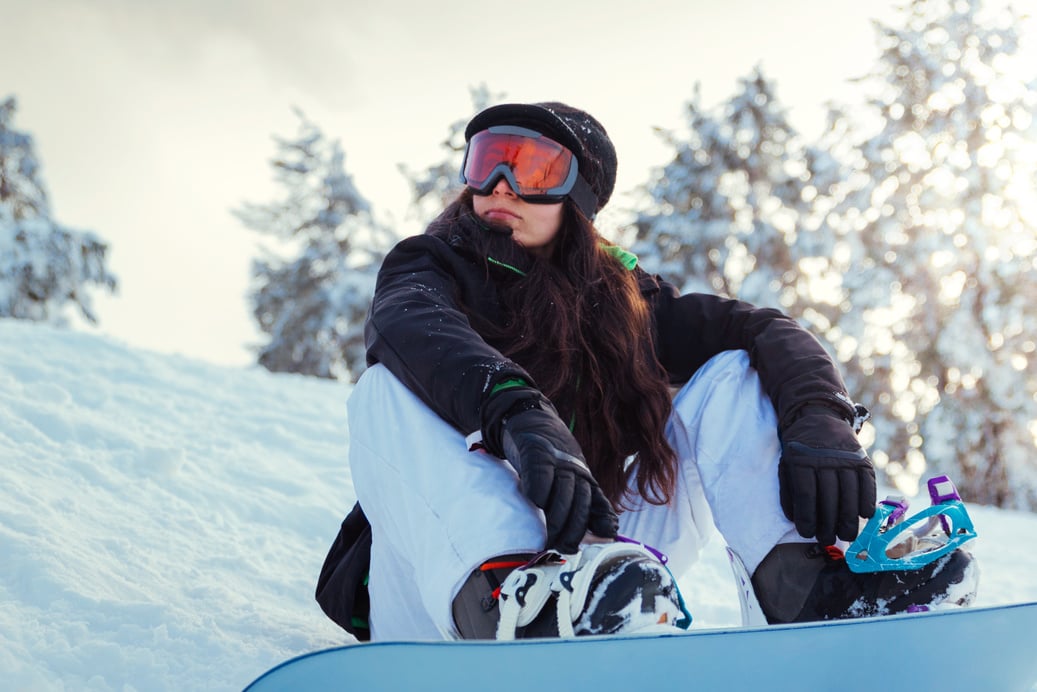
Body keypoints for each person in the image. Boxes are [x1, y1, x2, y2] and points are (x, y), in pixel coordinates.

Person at [317, 101, 977, 642]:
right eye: (489, 161)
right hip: (440, 591)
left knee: (731, 368)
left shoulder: (620, 305)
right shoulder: (427, 266)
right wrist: (518, 413)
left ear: (576, 198)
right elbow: (410, 328)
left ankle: (809, 588)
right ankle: (509, 596)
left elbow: (761, 326)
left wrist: (817, 416)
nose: (499, 187)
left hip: (588, 572)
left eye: (532, 168)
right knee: (383, 389)